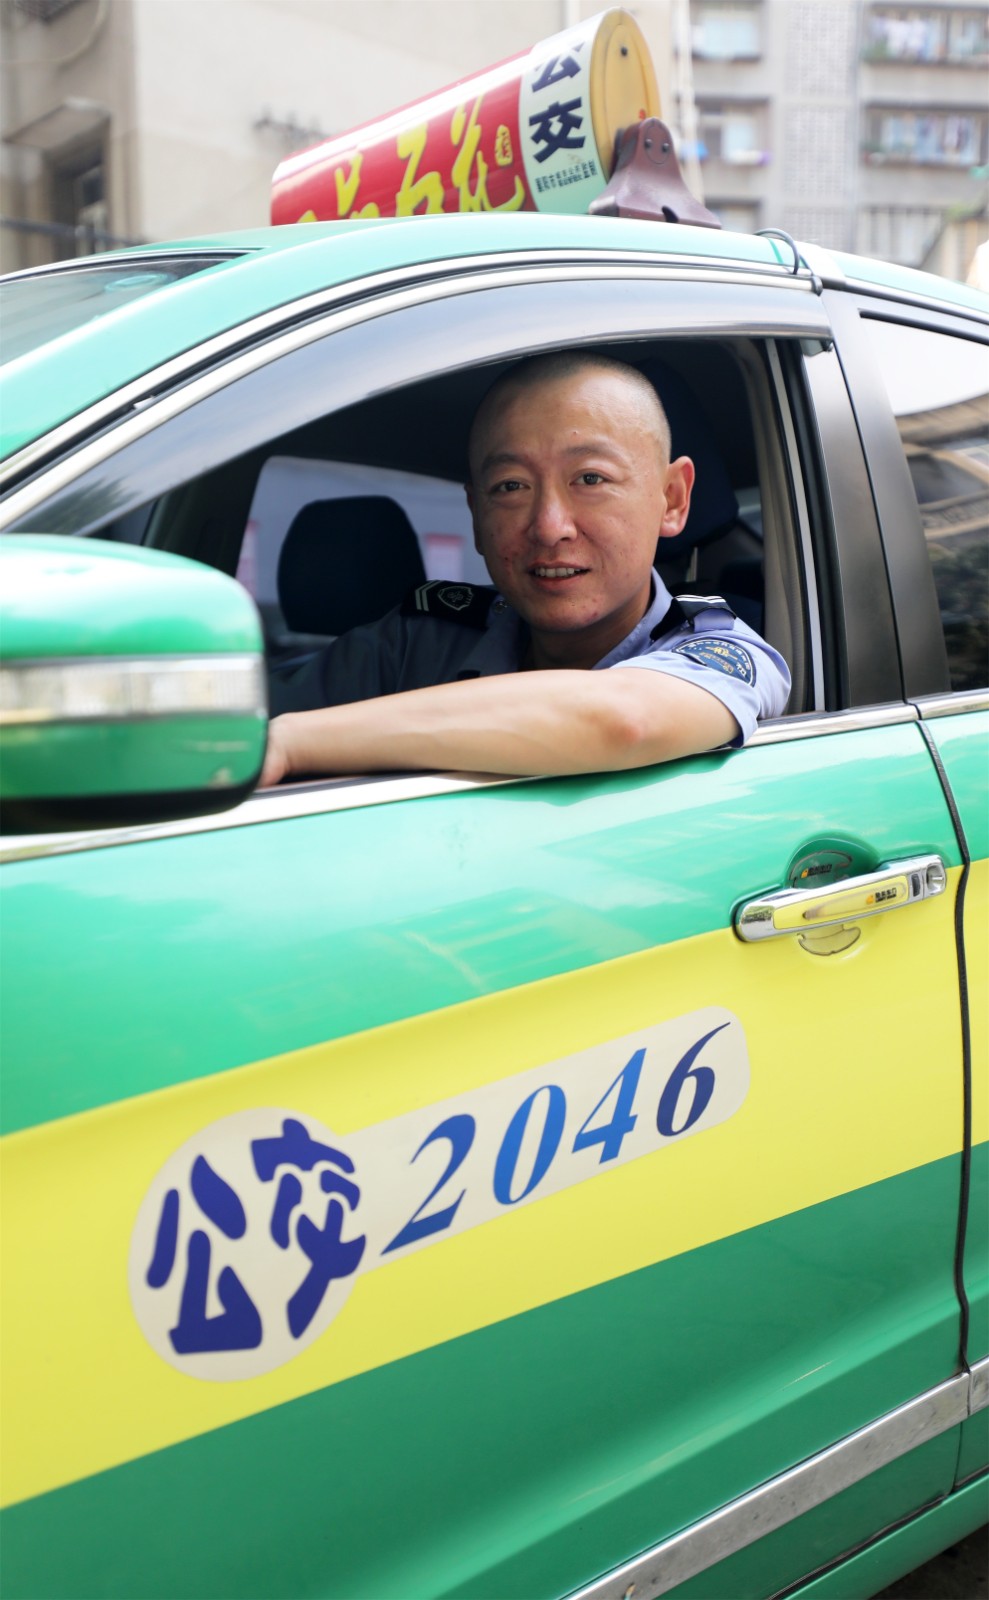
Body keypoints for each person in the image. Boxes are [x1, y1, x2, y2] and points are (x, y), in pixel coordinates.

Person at [260, 351, 790, 786]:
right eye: (511, 486)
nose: (549, 526)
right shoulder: (415, 646)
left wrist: (291, 743)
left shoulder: (725, 654)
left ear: (672, 499)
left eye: (590, 479)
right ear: (476, 514)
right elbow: (237, 730)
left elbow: (621, 720)